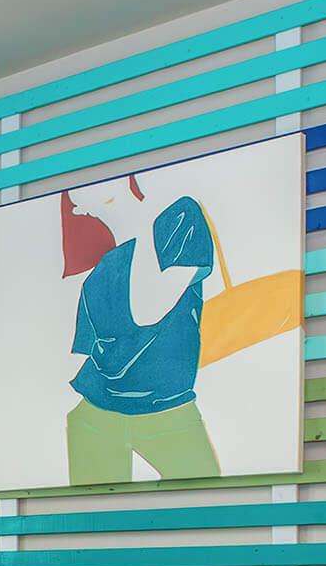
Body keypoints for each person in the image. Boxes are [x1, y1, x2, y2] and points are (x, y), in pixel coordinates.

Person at [65, 192, 222, 483]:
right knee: (96, 522)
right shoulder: (106, 268)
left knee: (207, 505)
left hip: (167, 411)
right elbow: (93, 348)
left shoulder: (180, 219)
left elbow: (151, 311)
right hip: (96, 414)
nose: (77, 205)